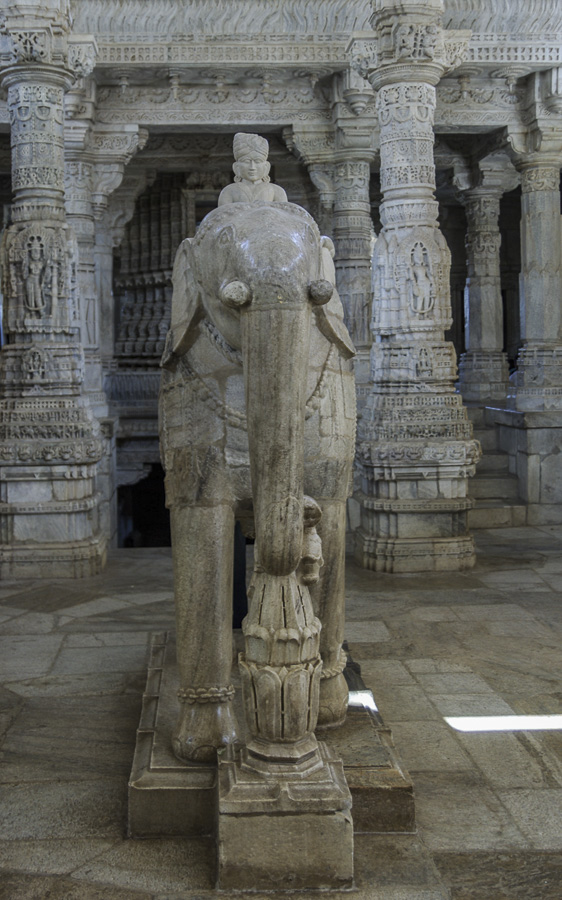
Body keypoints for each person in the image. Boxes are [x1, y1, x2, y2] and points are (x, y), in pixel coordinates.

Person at [218, 133, 288, 205]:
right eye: (246, 161)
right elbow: (221, 215)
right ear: (236, 167)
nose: (252, 167)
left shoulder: (276, 191)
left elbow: (285, 214)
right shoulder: (229, 191)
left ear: (266, 166)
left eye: (257, 161)